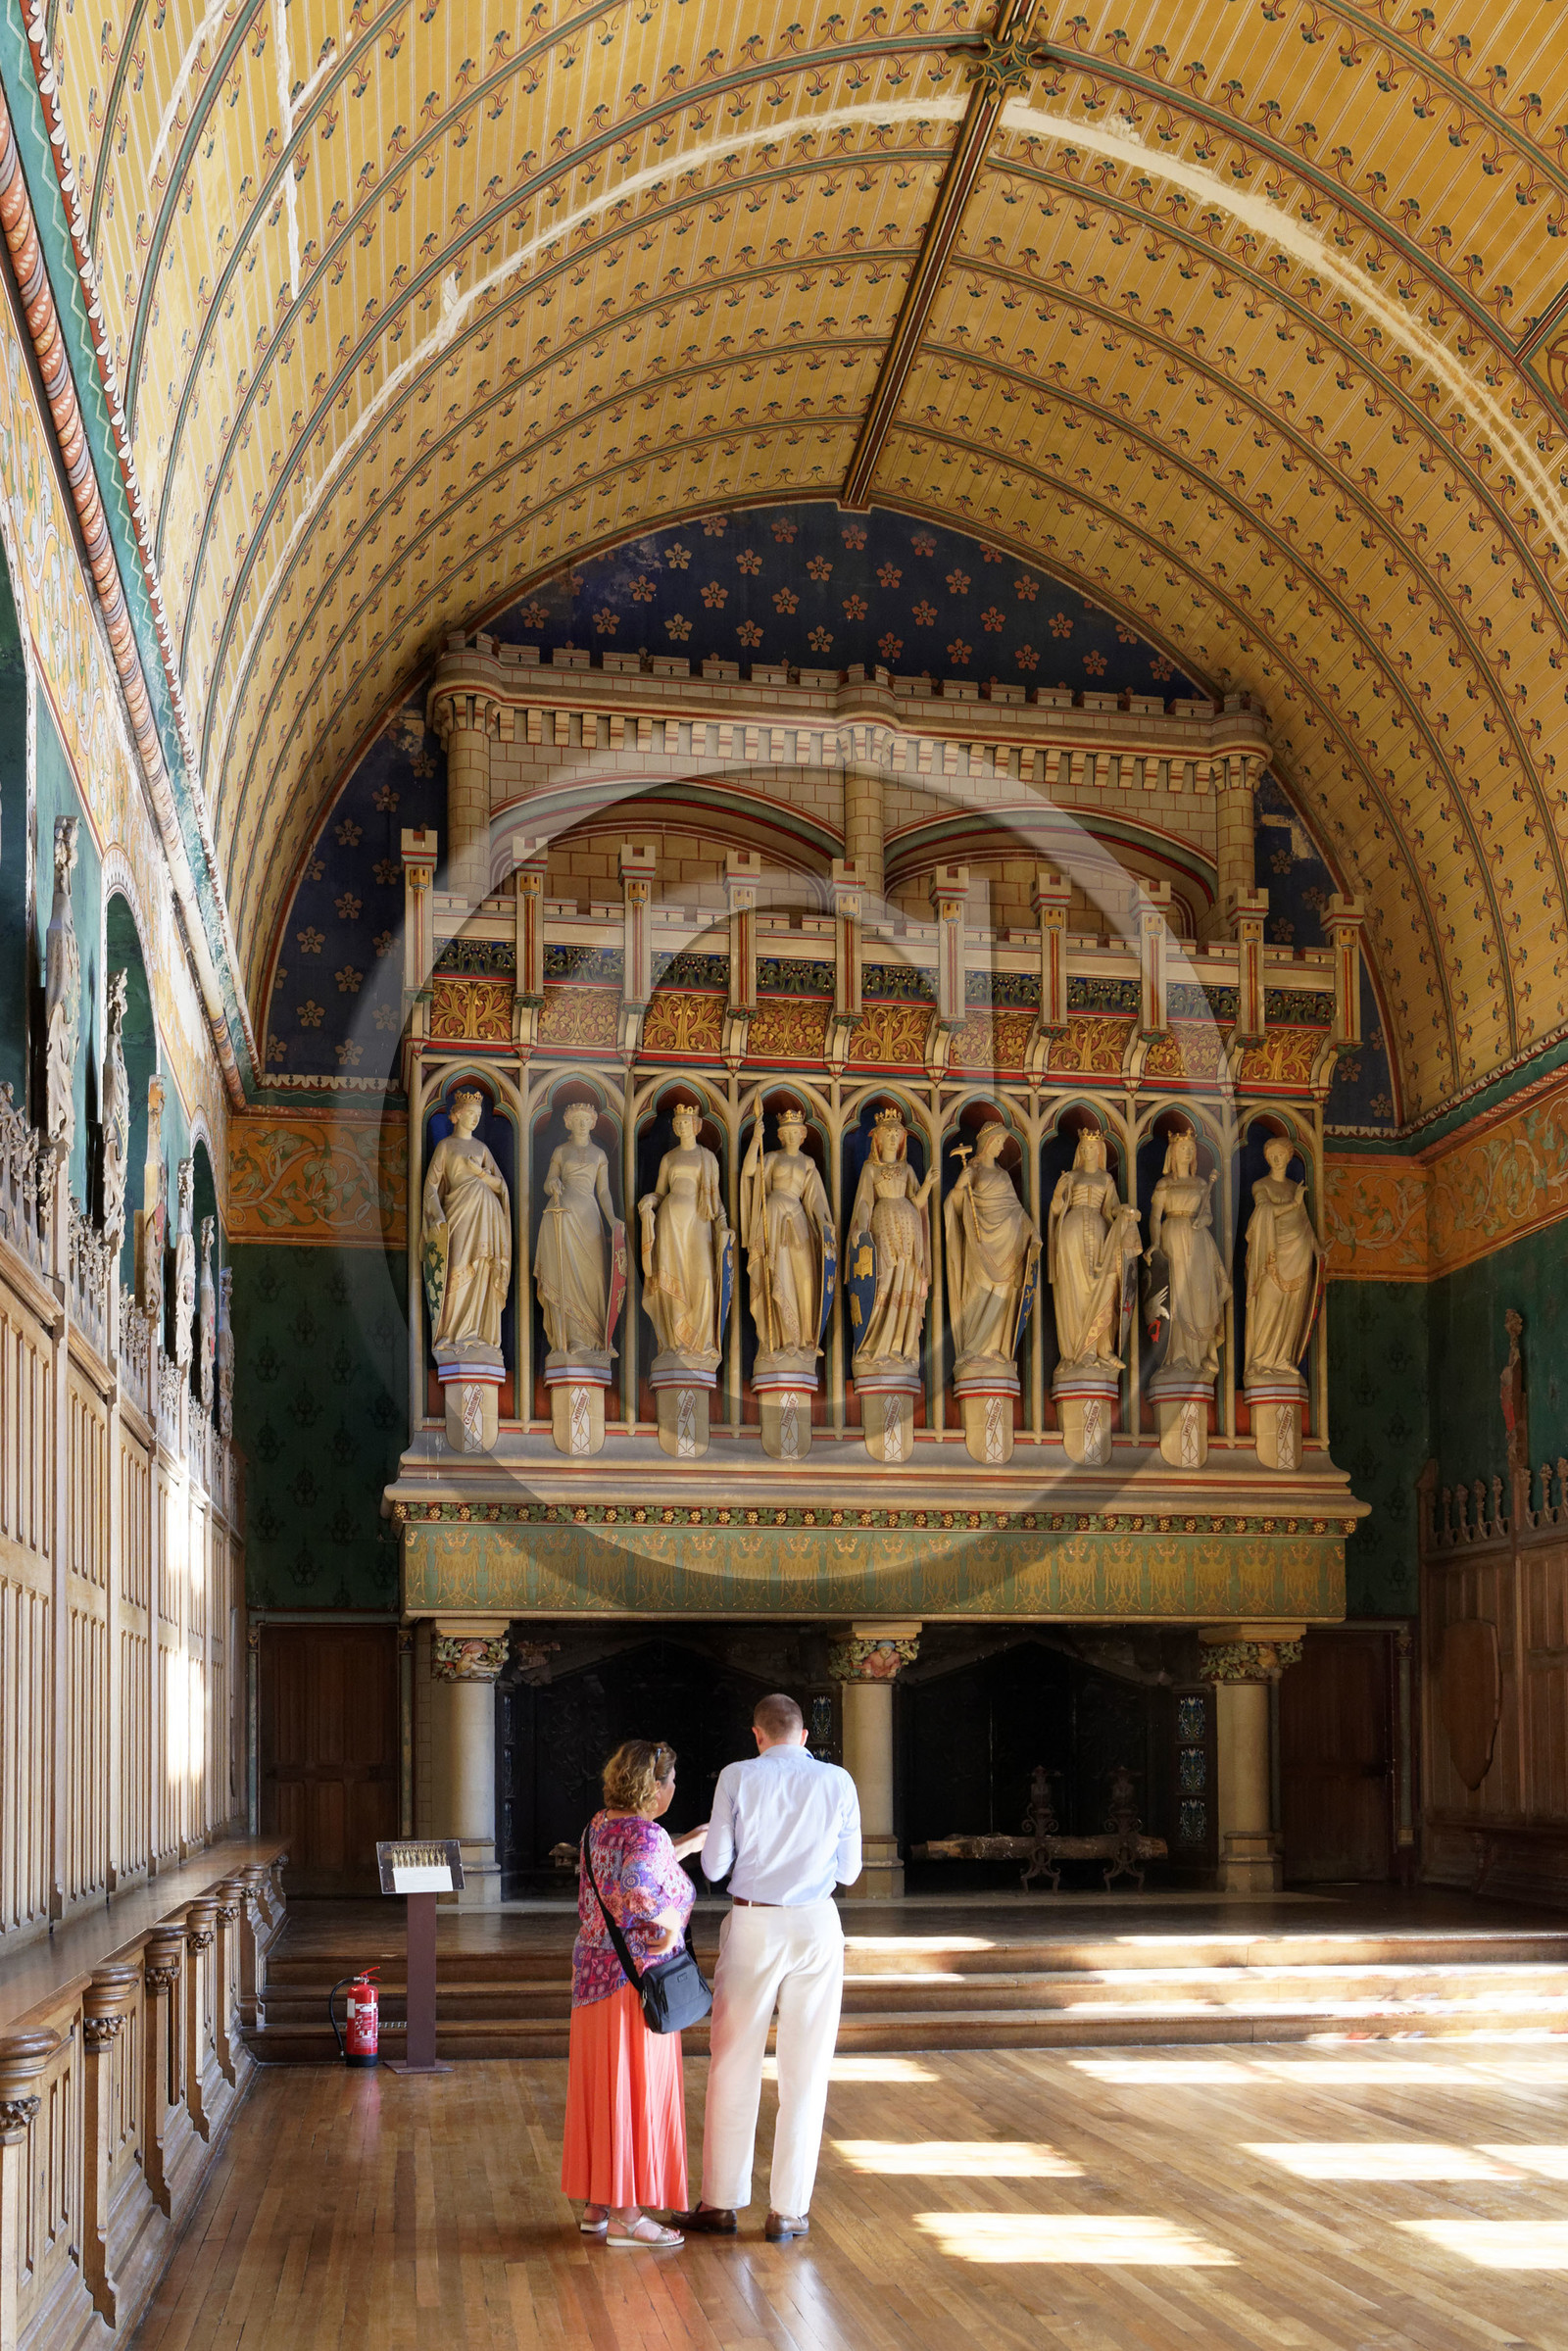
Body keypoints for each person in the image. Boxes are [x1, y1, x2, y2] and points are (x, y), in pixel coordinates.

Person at [675, 1693, 860, 2244]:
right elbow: (849, 1870)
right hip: (816, 1924)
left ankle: (719, 2203)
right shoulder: (839, 1781)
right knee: (807, 2068)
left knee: (733, 2060)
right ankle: (788, 2211)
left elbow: (714, 1865)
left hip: (754, 1923)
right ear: (804, 1736)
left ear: (757, 1735)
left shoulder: (737, 1775)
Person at [562, 1740, 709, 2249]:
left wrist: (683, 1844)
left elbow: (632, 1865)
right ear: (654, 1787)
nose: (674, 1789)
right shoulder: (646, 1835)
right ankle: (628, 2214)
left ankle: (597, 2203)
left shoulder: (599, 1824)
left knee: (603, 2088)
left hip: (593, 1979)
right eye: (670, 1782)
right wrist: (667, 1922)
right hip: (633, 1984)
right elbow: (639, 1888)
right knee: (630, 2092)